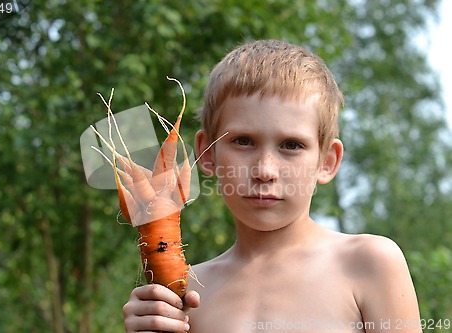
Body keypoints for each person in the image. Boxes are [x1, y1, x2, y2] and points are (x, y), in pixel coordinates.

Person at [122, 39, 422, 332]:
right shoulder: (186, 294)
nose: (265, 170)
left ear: (327, 161)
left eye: (291, 145)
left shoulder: (367, 264)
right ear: (206, 153)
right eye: (243, 141)